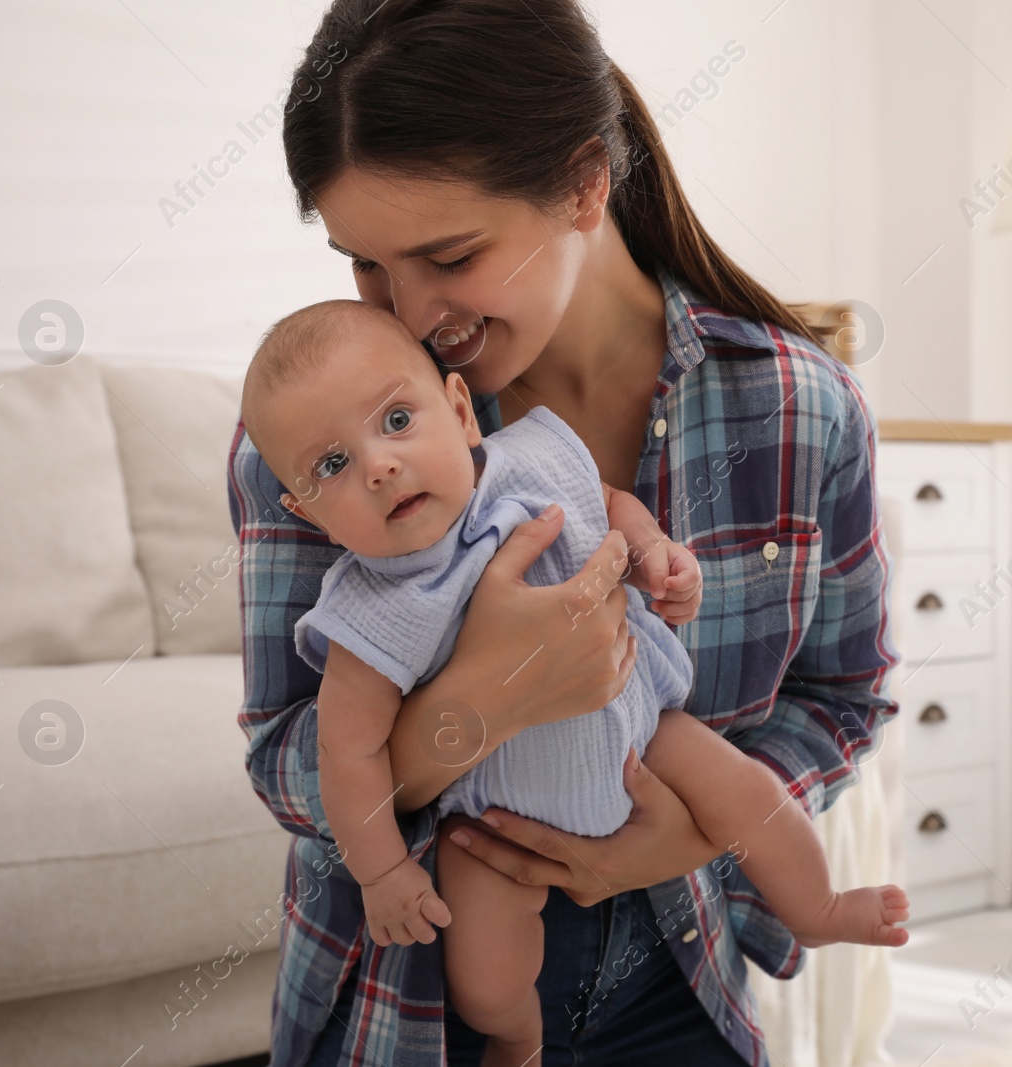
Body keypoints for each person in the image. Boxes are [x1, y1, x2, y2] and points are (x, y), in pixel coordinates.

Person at [226, 0, 903, 1062]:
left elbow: (842, 695)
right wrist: (481, 698)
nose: (405, 314)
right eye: (364, 263)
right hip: (409, 1006)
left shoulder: (798, 406)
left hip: (687, 985)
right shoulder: (328, 443)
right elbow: (285, 760)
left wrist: (699, 828)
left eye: (446, 253)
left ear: (586, 184)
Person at [237, 300, 911, 1067]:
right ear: (306, 513)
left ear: (459, 411)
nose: (379, 465)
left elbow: (608, 506)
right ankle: (516, 1034)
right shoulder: (369, 609)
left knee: (750, 794)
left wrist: (654, 552)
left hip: (644, 736)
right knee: (484, 965)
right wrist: (384, 870)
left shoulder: (532, 461)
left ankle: (816, 908)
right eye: (333, 466)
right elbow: (344, 751)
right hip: (494, 822)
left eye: (396, 421)